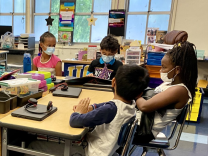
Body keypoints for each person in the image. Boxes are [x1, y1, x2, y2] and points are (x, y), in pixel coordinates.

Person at [26, 65, 149, 156]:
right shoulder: (131, 104)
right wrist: (92, 107)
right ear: (139, 93)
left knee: (33, 145)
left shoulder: (110, 109)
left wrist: (78, 111)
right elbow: (108, 105)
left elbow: (74, 121)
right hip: (108, 151)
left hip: (89, 152)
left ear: (113, 82)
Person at [133, 41, 198, 144]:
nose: (161, 70)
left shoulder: (179, 90)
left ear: (177, 70)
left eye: (164, 67)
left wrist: (134, 94)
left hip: (141, 131)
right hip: (137, 125)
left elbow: (145, 106)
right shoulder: (168, 84)